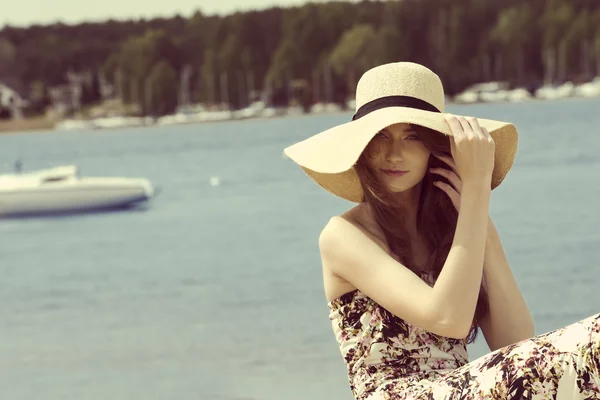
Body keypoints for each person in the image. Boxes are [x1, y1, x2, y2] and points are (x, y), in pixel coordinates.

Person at [283, 62, 599, 399]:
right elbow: (448, 318)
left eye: (412, 137)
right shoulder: (343, 235)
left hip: (457, 389)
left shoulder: (458, 226)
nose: (393, 154)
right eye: (381, 137)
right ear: (363, 147)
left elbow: (516, 342)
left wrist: (479, 219)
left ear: (436, 148)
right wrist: (477, 186)